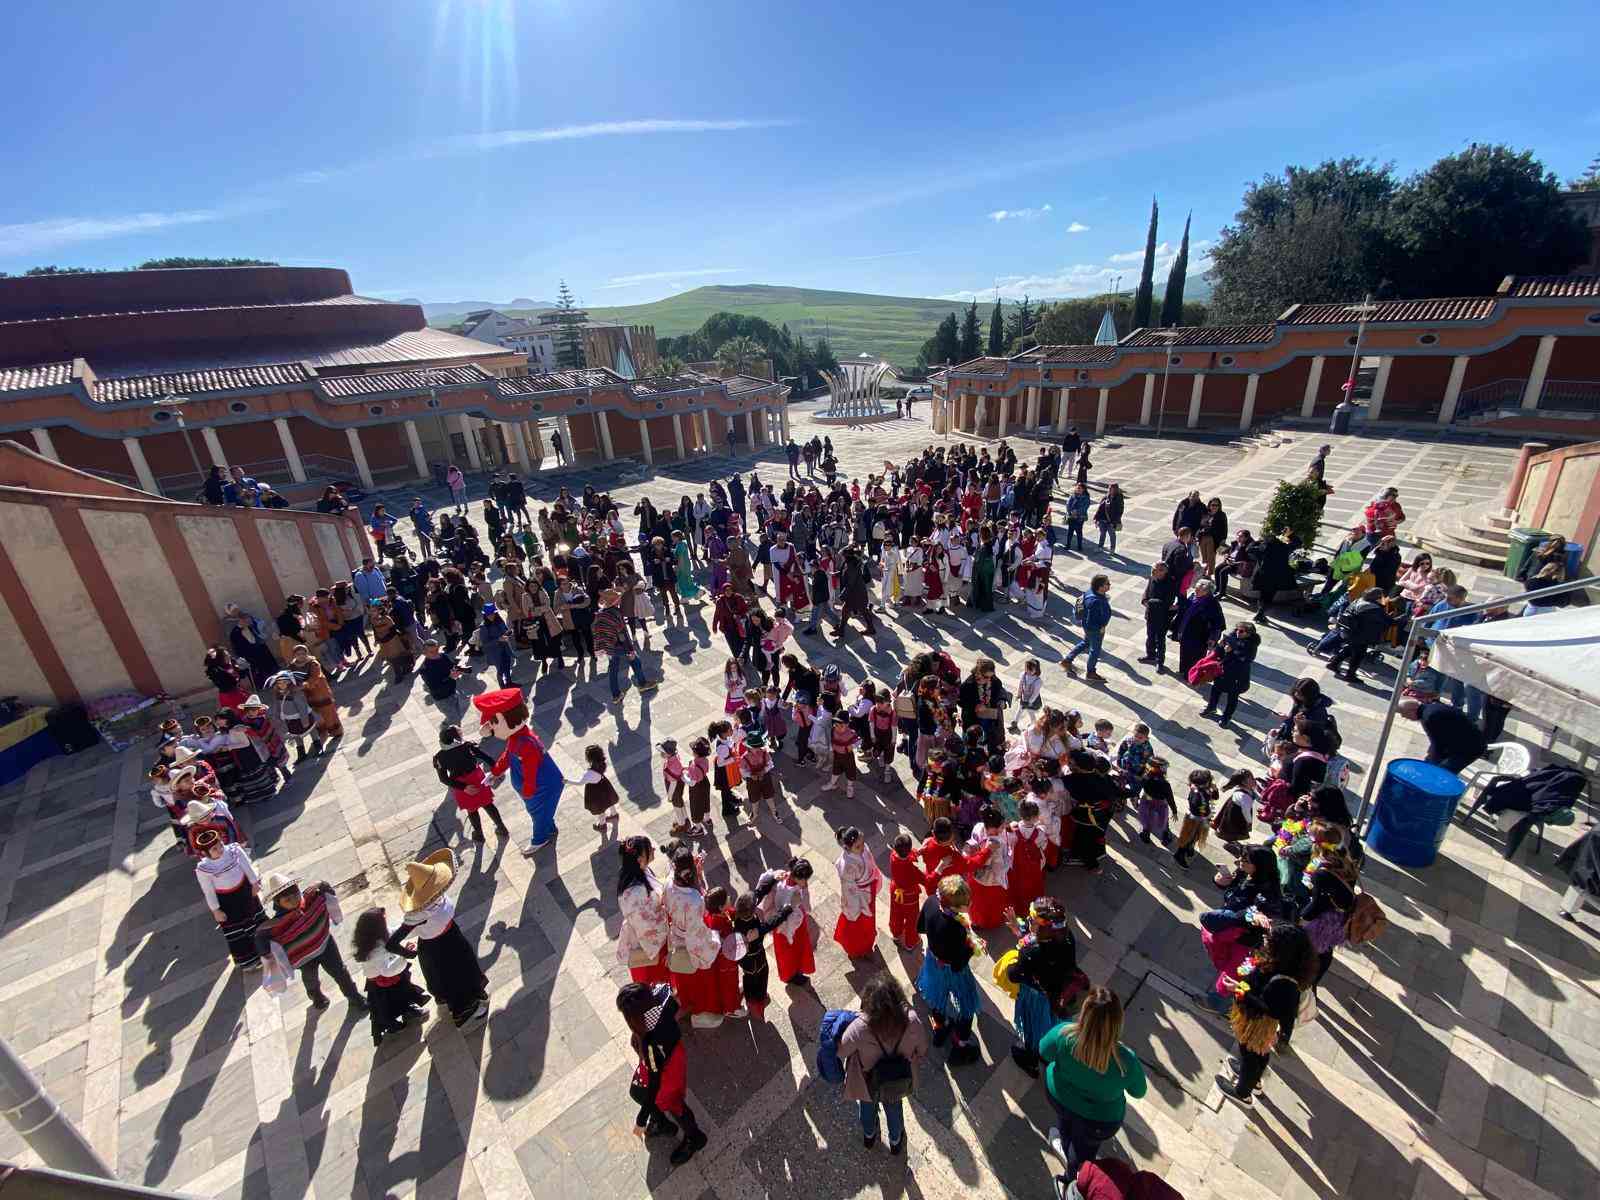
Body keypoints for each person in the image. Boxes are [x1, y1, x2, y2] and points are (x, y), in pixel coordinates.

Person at [1038, 987, 1147, 1174]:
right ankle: (1074, 1176)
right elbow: (1139, 1092)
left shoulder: (1063, 1035)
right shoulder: (1126, 1060)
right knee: (1084, 1153)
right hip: (1100, 1121)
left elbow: (1043, 1051)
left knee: (1066, 1125)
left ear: (1084, 1013)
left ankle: (1065, 1145)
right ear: (1117, 1023)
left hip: (1061, 1099)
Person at [1216, 922, 1317, 1106]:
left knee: (1251, 1055)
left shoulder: (1284, 984)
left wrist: (1240, 991)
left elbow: (1272, 1010)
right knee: (1256, 1054)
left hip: (1257, 1023)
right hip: (1253, 1017)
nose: (1265, 939)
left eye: (1270, 939)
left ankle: (1242, 1093)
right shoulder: (1279, 963)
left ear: (1283, 949)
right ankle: (1253, 1082)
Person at [389, 850, 490, 1028]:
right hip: (437, 949)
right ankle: (464, 1010)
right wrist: (408, 953)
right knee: (454, 980)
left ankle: (473, 994)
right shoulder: (419, 913)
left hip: (453, 936)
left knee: (466, 969)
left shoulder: (439, 896)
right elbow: (392, 943)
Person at [617, 982, 709, 1166]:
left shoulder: (649, 1044)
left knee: (675, 1106)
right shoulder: (661, 1002)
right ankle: (661, 1122)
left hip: (664, 1073)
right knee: (638, 1092)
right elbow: (676, 1004)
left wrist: (641, 1118)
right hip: (672, 1058)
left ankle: (695, 1138)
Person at [839, 974, 928, 1156]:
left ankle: (869, 1136)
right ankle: (896, 1142)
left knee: (867, 1108)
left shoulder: (859, 1027)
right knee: (894, 1109)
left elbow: (841, 1052)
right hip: (898, 1079)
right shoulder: (912, 1020)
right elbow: (923, 1050)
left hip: (867, 1081)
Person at [256, 871, 368, 1014]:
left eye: (296, 895)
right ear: (278, 903)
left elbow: (327, 890)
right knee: (311, 979)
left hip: (325, 944)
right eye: (287, 900)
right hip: (303, 957)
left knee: (341, 972)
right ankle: (316, 997)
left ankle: (355, 998)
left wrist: (320, 883)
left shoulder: (311, 899)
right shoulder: (276, 925)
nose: (294, 900)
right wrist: (266, 953)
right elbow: (261, 938)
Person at [474, 686, 565, 855]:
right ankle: (549, 827)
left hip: (542, 788)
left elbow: (530, 772)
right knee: (543, 812)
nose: (492, 730)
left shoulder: (526, 744)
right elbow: (508, 756)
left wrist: (528, 791)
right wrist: (494, 772)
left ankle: (540, 839)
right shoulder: (517, 737)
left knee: (538, 814)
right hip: (538, 787)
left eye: (493, 725)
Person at [1001, 897, 1079, 1077]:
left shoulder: (1030, 952)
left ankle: (1031, 1061)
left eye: (1031, 920)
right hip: (1061, 995)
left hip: (1039, 999)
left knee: (1034, 1030)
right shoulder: (1067, 936)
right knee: (1054, 1027)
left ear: (1043, 928)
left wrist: (1013, 960)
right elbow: (1038, 944)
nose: (1027, 921)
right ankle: (1049, 1055)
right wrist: (1020, 933)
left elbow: (1014, 975)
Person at [916, 876, 983, 1064]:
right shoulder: (957, 928)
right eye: (965, 903)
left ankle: (940, 1027)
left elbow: (920, 927)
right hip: (953, 970)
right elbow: (958, 963)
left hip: (932, 962)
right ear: (954, 907)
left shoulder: (931, 901)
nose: (969, 905)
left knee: (937, 998)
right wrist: (972, 946)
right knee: (967, 1005)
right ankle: (960, 1043)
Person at [351, 908, 431, 1046]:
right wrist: (404, 954)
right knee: (385, 1007)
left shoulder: (378, 935)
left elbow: (395, 932)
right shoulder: (373, 952)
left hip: (393, 976)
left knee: (403, 995)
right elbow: (388, 970)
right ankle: (391, 1025)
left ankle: (408, 1011)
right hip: (382, 983)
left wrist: (413, 924)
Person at [193, 829, 265, 969]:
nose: (220, 849)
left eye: (220, 844)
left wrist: (254, 883)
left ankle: (269, 948)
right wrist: (215, 910)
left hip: (245, 893)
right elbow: (208, 891)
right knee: (239, 932)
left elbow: (247, 866)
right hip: (227, 903)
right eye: (214, 849)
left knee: (256, 922)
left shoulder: (234, 851)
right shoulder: (204, 869)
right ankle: (249, 961)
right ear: (205, 853)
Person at [434, 724, 511, 843]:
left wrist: (464, 788)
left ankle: (479, 835)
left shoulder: (439, 757)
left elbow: (443, 779)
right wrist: (497, 771)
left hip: (461, 786)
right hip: (477, 779)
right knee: (488, 804)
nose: (461, 734)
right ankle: (502, 828)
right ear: (455, 738)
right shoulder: (468, 746)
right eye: (459, 733)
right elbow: (487, 758)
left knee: (472, 810)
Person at [594, 587, 658, 704]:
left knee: (613, 669)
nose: (620, 600)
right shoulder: (616, 613)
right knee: (636, 661)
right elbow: (622, 634)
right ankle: (643, 684)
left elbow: (600, 632)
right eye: (618, 599)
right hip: (620, 646)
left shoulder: (601, 614)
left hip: (609, 648)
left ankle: (616, 695)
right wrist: (630, 650)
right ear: (614, 601)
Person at [763, 858, 816, 988]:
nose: (806, 882)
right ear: (798, 876)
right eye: (805, 879)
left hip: (794, 925)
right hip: (786, 929)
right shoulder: (784, 888)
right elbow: (806, 908)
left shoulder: (785, 881)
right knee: (788, 955)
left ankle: (796, 971)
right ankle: (791, 976)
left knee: (796, 950)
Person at [1398, 697, 1488, 773]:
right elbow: (1438, 741)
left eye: (1403, 713)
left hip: (1470, 748)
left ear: (1411, 710)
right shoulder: (1431, 708)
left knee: (1441, 773)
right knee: (1431, 762)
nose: (1403, 717)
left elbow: (1438, 746)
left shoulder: (1429, 717)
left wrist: (1429, 764)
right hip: (1465, 742)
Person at [834, 826, 884, 959]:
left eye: (862, 843)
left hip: (868, 891)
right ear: (847, 847)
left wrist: (876, 879)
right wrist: (855, 909)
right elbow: (848, 891)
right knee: (858, 926)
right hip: (858, 900)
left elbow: (872, 864)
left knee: (869, 919)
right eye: (857, 846)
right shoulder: (846, 866)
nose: (862, 848)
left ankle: (869, 940)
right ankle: (857, 949)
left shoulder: (862, 847)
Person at [1201, 621, 1260, 727]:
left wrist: (1232, 651)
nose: (1238, 632)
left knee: (1232, 697)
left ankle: (1226, 717)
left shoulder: (1251, 645)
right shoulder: (1231, 638)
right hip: (1223, 671)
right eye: (1237, 629)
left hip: (1237, 675)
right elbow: (1219, 653)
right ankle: (1211, 707)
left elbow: (1246, 659)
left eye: (1241, 631)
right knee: (1215, 690)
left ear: (1248, 633)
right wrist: (1220, 646)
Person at [1171, 578, 1224, 680]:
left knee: (1195, 656)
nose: (1195, 591)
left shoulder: (1212, 604)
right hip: (1186, 631)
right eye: (1196, 588)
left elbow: (1217, 624)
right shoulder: (1193, 596)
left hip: (1199, 636)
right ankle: (1184, 671)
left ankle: (1192, 675)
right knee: (1184, 652)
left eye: (1198, 589)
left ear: (1207, 592)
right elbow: (1185, 606)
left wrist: (1213, 638)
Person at [1062, 575, 1112, 681]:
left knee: (1086, 643)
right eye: (1107, 583)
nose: (1109, 585)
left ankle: (1067, 660)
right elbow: (1091, 619)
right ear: (1100, 587)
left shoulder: (1090, 592)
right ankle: (1091, 672)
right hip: (1095, 629)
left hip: (1086, 626)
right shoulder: (1096, 601)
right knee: (1095, 651)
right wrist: (1100, 627)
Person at [1138, 562, 1178, 673]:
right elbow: (1147, 591)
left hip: (1162, 617)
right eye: (1154, 569)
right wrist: (1144, 600)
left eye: (1158, 569)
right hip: (1150, 614)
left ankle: (1160, 662)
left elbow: (1167, 603)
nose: (1154, 571)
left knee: (1160, 640)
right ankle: (1150, 655)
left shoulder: (1170, 583)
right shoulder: (1152, 577)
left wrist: (1149, 602)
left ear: (1165, 571)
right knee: (1150, 636)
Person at [1093, 483, 1124, 554]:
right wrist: (1096, 518)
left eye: (1111, 488)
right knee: (1102, 534)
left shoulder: (1119, 498)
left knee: (1112, 535)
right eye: (1109, 488)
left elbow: (1119, 511)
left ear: (1116, 489)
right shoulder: (1106, 497)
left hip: (1112, 521)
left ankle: (1112, 549)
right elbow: (1100, 508)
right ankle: (1100, 546)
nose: (1109, 490)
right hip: (1102, 519)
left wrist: (1115, 522)